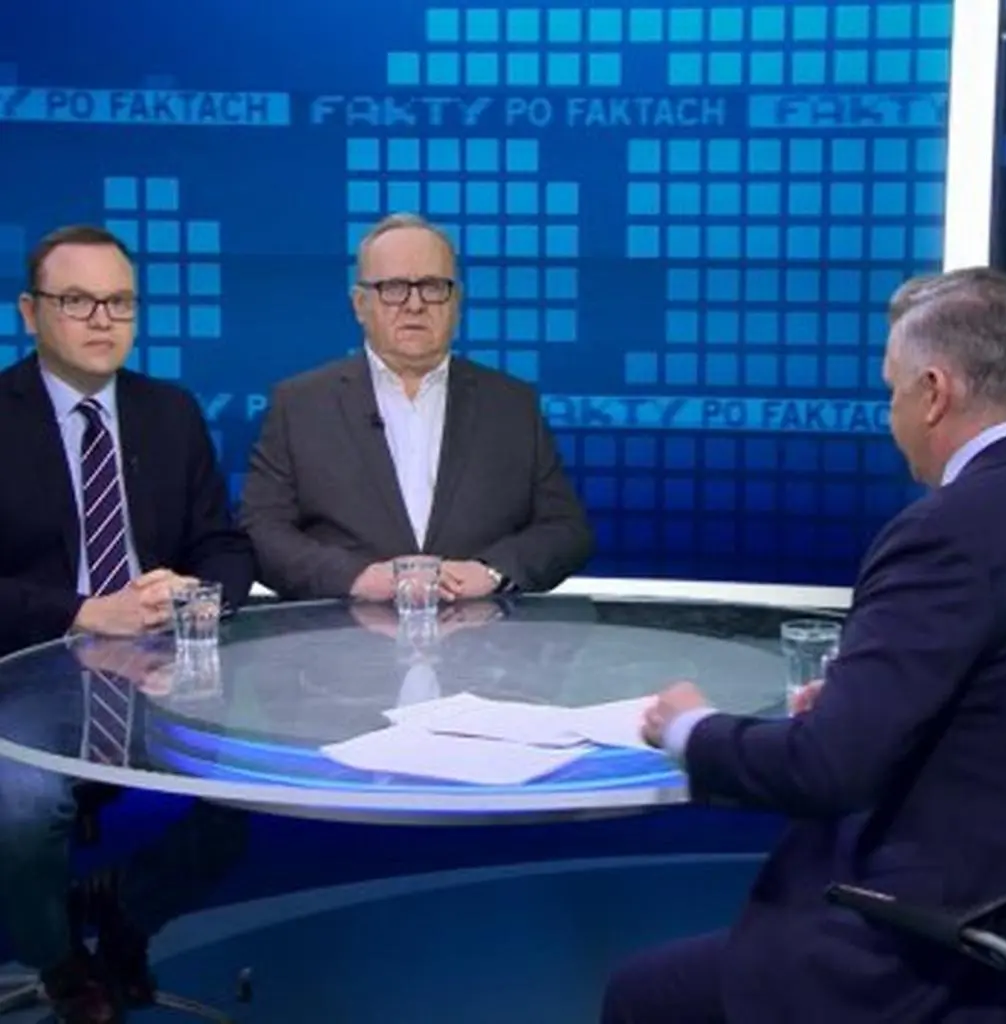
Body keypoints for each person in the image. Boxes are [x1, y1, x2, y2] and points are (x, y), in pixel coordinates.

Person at [604, 267, 1006, 1023]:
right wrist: (882, 703)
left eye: (892, 391)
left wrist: (690, 728)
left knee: (645, 996)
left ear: (934, 392)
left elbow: (827, 769)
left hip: (943, 943)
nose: (891, 415)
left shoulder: (947, 533)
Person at [0, 224, 254, 1022]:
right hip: (27, 672)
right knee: (19, 807)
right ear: (30, 312)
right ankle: (60, 962)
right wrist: (82, 611)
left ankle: (123, 915)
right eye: (78, 301)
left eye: (119, 302)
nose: (102, 319)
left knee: (253, 771)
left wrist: (190, 599)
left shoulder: (169, 413)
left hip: (161, 665)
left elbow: (224, 545)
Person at [240, 212, 592, 603]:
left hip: (482, 634)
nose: (414, 304)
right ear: (360, 304)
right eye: (393, 288)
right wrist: (356, 578)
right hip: (342, 632)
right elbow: (261, 530)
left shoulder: (512, 405)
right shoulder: (300, 405)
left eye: (432, 286)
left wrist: (491, 571)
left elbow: (566, 530)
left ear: (456, 301)